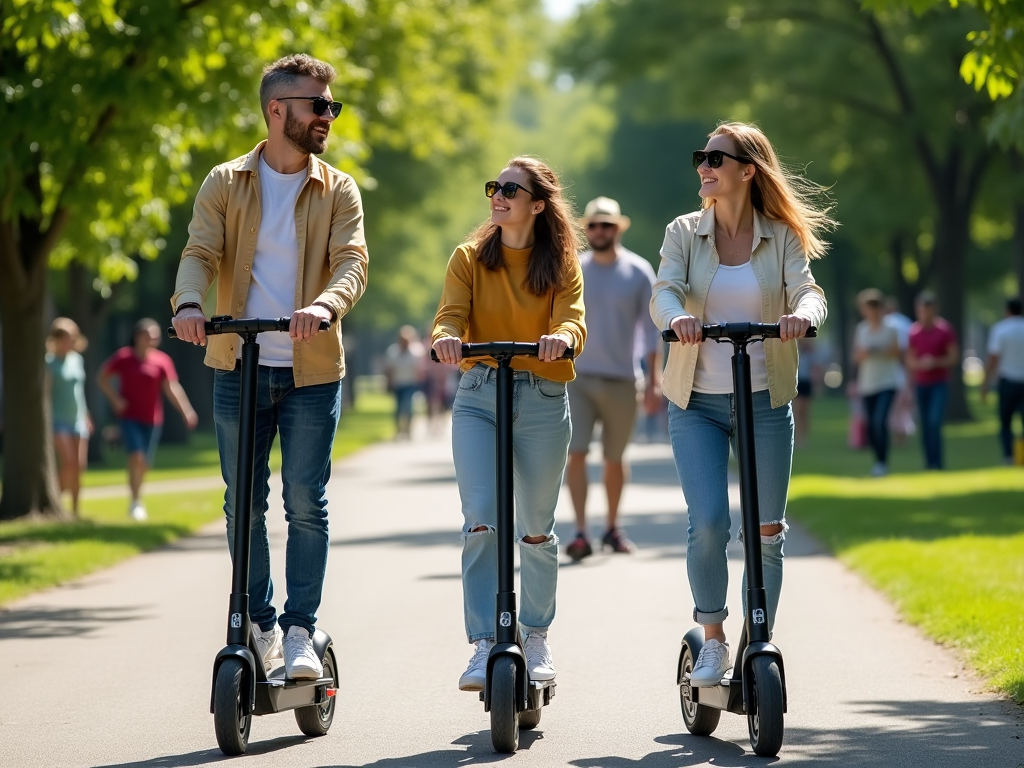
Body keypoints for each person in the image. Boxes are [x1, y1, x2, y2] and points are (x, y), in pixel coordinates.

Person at [171, 54, 368, 680]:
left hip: (310, 367)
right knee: (242, 502)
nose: (329, 116)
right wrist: (191, 304)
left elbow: (352, 262)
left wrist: (323, 304)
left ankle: (301, 629)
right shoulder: (226, 182)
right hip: (238, 361)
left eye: (331, 105)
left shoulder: (337, 188)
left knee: (305, 500)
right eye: (319, 105)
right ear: (277, 110)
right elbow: (200, 249)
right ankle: (255, 623)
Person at [650, 122, 830, 687]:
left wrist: (805, 316)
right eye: (700, 157)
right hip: (696, 401)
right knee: (708, 522)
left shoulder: (781, 234)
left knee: (767, 531)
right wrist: (675, 317)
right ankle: (713, 640)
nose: (703, 166)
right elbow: (665, 289)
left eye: (715, 158)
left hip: (764, 400)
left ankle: (760, 637)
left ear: (747, 170)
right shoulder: (683, 231)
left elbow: (807, 288)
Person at [432, 156, 586, 692]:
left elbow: (572, 316)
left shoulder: (561, 261)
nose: (497, 196)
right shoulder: (469, 257)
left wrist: (562, 337)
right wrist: (447, 338)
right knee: (481, 520)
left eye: (511, 190)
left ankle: (536, 634)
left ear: (537, 205)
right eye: (494, 186)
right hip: (478, 395)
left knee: (536, 528)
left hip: (543, 395)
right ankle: (482, 644)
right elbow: (450, 314)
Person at [564, 196, 660, 561]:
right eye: (593, 225)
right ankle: (580, 531)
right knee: (575, 453)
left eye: (607, 225)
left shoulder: (638, 271)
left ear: (618, 228)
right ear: (586, 230)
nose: (600, 231)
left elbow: (652, 332)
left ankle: (613, 527)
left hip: (623, 379)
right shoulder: (574, 269)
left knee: (615, 458)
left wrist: (653, 383)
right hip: (578, 378)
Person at [98, 318, 198, 521]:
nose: (152, 340)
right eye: (147, 336)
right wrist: (115, 400)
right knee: (136, 456)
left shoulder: (162, 361)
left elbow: (172, 388)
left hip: (153, 419)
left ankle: (137, 498)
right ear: (137, 337)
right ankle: (135, 502)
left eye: (155, 336)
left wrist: (186, 411)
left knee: (145, 463)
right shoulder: (124, 357)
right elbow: (102, 377)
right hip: (128, 417)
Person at [45, 318, 92, 516]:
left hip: (78, 419)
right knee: (69, 463)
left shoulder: (77, 359)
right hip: (58, 420)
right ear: (57, 339)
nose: (71, 341)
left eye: (73, 337)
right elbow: (45, 394)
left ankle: (75, 511)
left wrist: (86, 415)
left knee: (80, 466)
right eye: (67, 338)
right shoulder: (49, 362)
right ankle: (54, 500)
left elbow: (79, 392)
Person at [907, 291, 959, 470]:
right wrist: (920, 365)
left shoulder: (945, 330)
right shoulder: (914, 332)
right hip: (921, 383)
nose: (924, 314)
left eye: (927, 310)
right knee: (924, 424)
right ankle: (929, 462)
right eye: (921, 310)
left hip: (939, 382)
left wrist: (935, 362)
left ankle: (937, 461)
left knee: (934, 421)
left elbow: (953, 357)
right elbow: (910, 360)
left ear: (934, 310)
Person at [853, 288, 902, 476]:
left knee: (880, 421)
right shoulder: (862, 329)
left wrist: (876, 350)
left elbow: (897, 352)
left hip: (887, 382)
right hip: (868, 383)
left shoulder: (891, 328)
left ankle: (883, 461)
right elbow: (857, 355)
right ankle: (878, 460)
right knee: (872, 425)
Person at [981, 297, 1024, 465]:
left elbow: (993, 357)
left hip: (1007, 380)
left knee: (1005, 421)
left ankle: (1009, 455)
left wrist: (985, 383)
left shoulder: (1001, 330)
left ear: (1007, 310)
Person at [883, 295, 916, 444]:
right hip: (903, 368)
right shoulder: (906, 323)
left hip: (891, 368)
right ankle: (902, 435)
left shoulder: (886, 324)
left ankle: (896, 436)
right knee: (904, 404)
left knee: (894, 405)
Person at [384, 325, 425, 439]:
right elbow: (389, 370)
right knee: (398, 408)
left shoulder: (416, 352)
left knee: (408, 406)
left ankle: (408, 430)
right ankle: (398, 430)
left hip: (410, 383)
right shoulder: (393, 352)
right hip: (398, 384)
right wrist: (388, 383)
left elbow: (419, 369)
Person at [793, 336, 820, 448]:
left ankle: (803, 437)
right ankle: (797, 436)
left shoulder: (809, 352)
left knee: (805, 411)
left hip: (806, 381)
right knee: (797, 410)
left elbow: (815, 367)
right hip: (796, 381)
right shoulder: (793, 349)